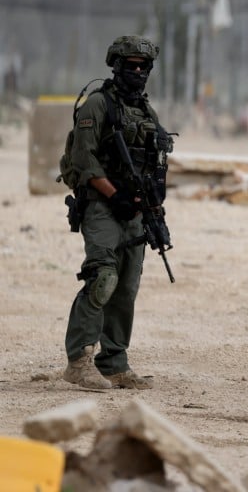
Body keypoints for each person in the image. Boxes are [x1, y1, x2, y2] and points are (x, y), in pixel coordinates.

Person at [61, 35, 172, 390]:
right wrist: (116, 194)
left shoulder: (146, 112)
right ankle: (79, 360)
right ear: (117, 66)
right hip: (101, 206)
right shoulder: (98, 105)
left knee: (125, 288)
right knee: (102, 278)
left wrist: (153, 209)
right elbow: (84, 161)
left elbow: (155, 166)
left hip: (136, 212)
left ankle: (113, 362)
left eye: (143, 67)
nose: (137, 72)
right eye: (130, 66)